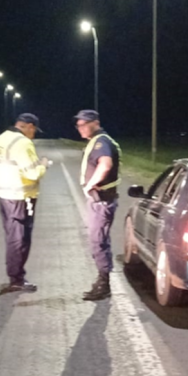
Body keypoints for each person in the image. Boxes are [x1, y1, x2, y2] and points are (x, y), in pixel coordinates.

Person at [0, 113, 52, 293]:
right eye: (34, 131)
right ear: (29, 126)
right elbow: (32, 173)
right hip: (21, 197)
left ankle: (15, 275)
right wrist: (44, 165)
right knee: (20, 239)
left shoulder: (0, 139)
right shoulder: (23, 143)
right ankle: (16, 278)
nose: (33, 135)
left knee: (12, 237)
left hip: (3, 195)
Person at [74, 109, 121, 301]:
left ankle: (104, 284)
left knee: (98, 242)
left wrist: (91, 183)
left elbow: (105, 164)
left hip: (101, 200)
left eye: (84, 124)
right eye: (78, 125)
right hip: (100, 200)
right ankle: (102, 279)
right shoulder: (98, 141)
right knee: (99, 240)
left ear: (96, 123)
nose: (81, 128)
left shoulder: (101, 142)